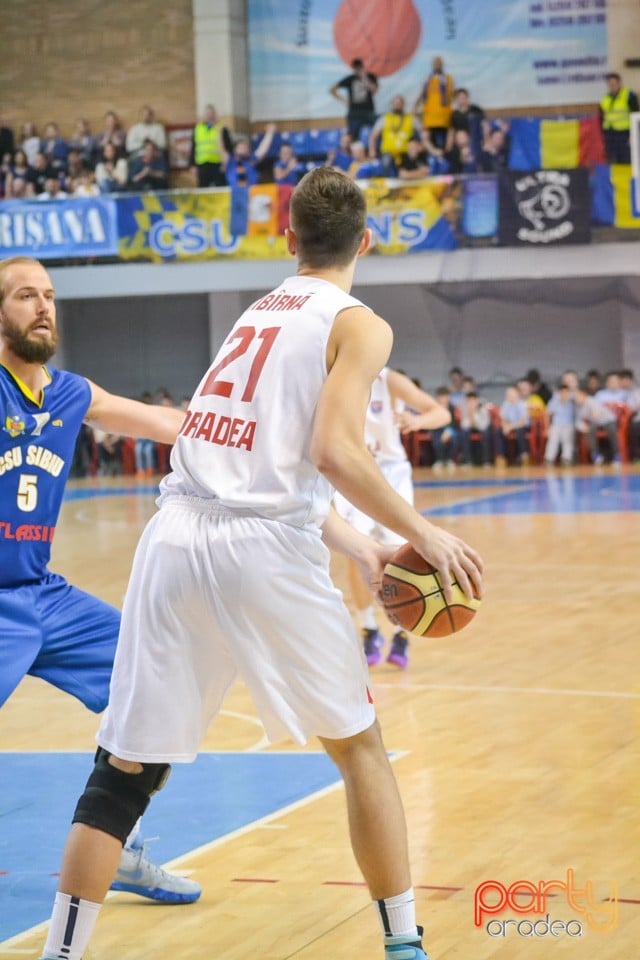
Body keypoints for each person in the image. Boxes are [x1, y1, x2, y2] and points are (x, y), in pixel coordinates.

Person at [36, 168, 483, 960]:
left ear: (288, 240)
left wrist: (370, 546)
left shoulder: (254, 314)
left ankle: (60, 952)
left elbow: (259, 477)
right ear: (367, 242)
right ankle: (405, 944)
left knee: (124, 769)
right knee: (359, 747)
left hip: (173, 537)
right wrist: (426, 532)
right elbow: (333, 456)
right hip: (260, 552)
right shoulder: (360, 323)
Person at [0, 255, 202, 906]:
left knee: (154, 683)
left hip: (41, 594)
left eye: (49, 296)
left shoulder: (69, 393)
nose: (43, 307)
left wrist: (243, 427)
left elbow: (165, 423)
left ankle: (125, 844)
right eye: (25, 295)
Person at [333, 368, 451, 669]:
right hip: (352, 471)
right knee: (356, 551)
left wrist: (418, 421)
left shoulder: (389, 380)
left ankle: (402, 631)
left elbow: (441, 413)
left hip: (391, 472)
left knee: (400, 557)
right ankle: (369, 628)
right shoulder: (332, 378)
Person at [330, 58, 379, 142]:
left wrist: (364, 78)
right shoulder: (350, 79)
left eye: (359, 67)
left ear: (363, 67)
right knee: (353, 137)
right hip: (354, 113)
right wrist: (344, 100)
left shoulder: (370, 77)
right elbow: (332, 89)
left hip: (369, 112)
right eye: (355, 68)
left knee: (377, 131)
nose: (357, 69)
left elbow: (374, 90)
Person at [368, 96, 418, 176]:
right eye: (396, 103)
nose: (398, 105)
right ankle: (386, 185)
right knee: (385, 163)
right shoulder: (384, 118)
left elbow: (424, 133)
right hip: (388, 152)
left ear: (403, 104)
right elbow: (373, 135)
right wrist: (372, 150)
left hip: (405, 152)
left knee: (414, 162)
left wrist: (420, 146)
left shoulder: (410, 118)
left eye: (399, 103)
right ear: (392, 105)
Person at [413, 56, 454, 152]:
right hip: (430, 119)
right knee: (431, 145)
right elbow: (422, 95)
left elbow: (453, 94)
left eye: (439, 63)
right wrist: (415, 107)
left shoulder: (448, 78)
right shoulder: (427, 79)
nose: (437, 65)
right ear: (432, 65)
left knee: (444, 146)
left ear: (442, 65)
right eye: (435, 63)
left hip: (443, 118)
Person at [599, 71, 639, 165]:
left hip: (625, 133)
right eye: (610, 84)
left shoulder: (629, 95)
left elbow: (636, 115)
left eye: (614, 84)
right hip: (610, 134)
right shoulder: (605, 99)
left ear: (619, 83)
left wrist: (634, 134)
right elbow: (601, 118)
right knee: (612, 160)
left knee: (627, 159)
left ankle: (629, 179)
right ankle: (615, 179)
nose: (612, 86)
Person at [189, 103, 232, 188]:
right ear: (204, 115)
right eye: (207, 113)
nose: (209, 115)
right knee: (203, 189)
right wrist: (192, 165)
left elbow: (228, 147)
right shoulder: (198, 128)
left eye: (211, 113)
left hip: (218, 164)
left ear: (215, 114)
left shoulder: (222, 128)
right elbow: (194, 147)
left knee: (221, 187)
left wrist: (226, 164)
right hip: (202, 164)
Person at [544, 382, 575, 466]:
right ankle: (549, 459)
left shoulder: (573, 401)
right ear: (559, 392)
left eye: (566, 392)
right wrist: (546, 428)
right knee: (553, 438)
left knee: (568, 439)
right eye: (562, 392)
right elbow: (547, 414)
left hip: (569, 425)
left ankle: (566, 458)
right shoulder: (554, 401)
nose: (564, 394)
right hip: (556, 425)